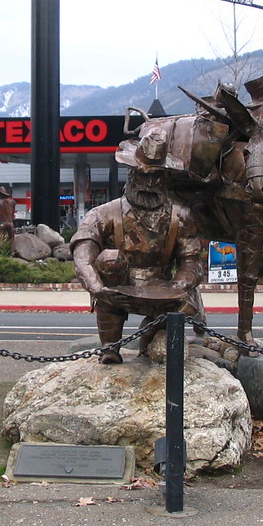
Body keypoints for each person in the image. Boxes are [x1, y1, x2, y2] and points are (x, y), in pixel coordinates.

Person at [70, 128, 205, 364]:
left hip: (163, 289)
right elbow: (83, 254)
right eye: (142, 176)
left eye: (156, 177)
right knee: (109, 259)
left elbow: (191, 260)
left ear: (165, 177)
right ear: (131, 173)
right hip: (119, 288)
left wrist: (179, 285)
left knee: (182, 306)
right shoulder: (103, 214)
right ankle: (110, 345)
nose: (148, 184)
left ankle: (152, 333)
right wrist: (96, 286)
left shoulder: (181, 216)